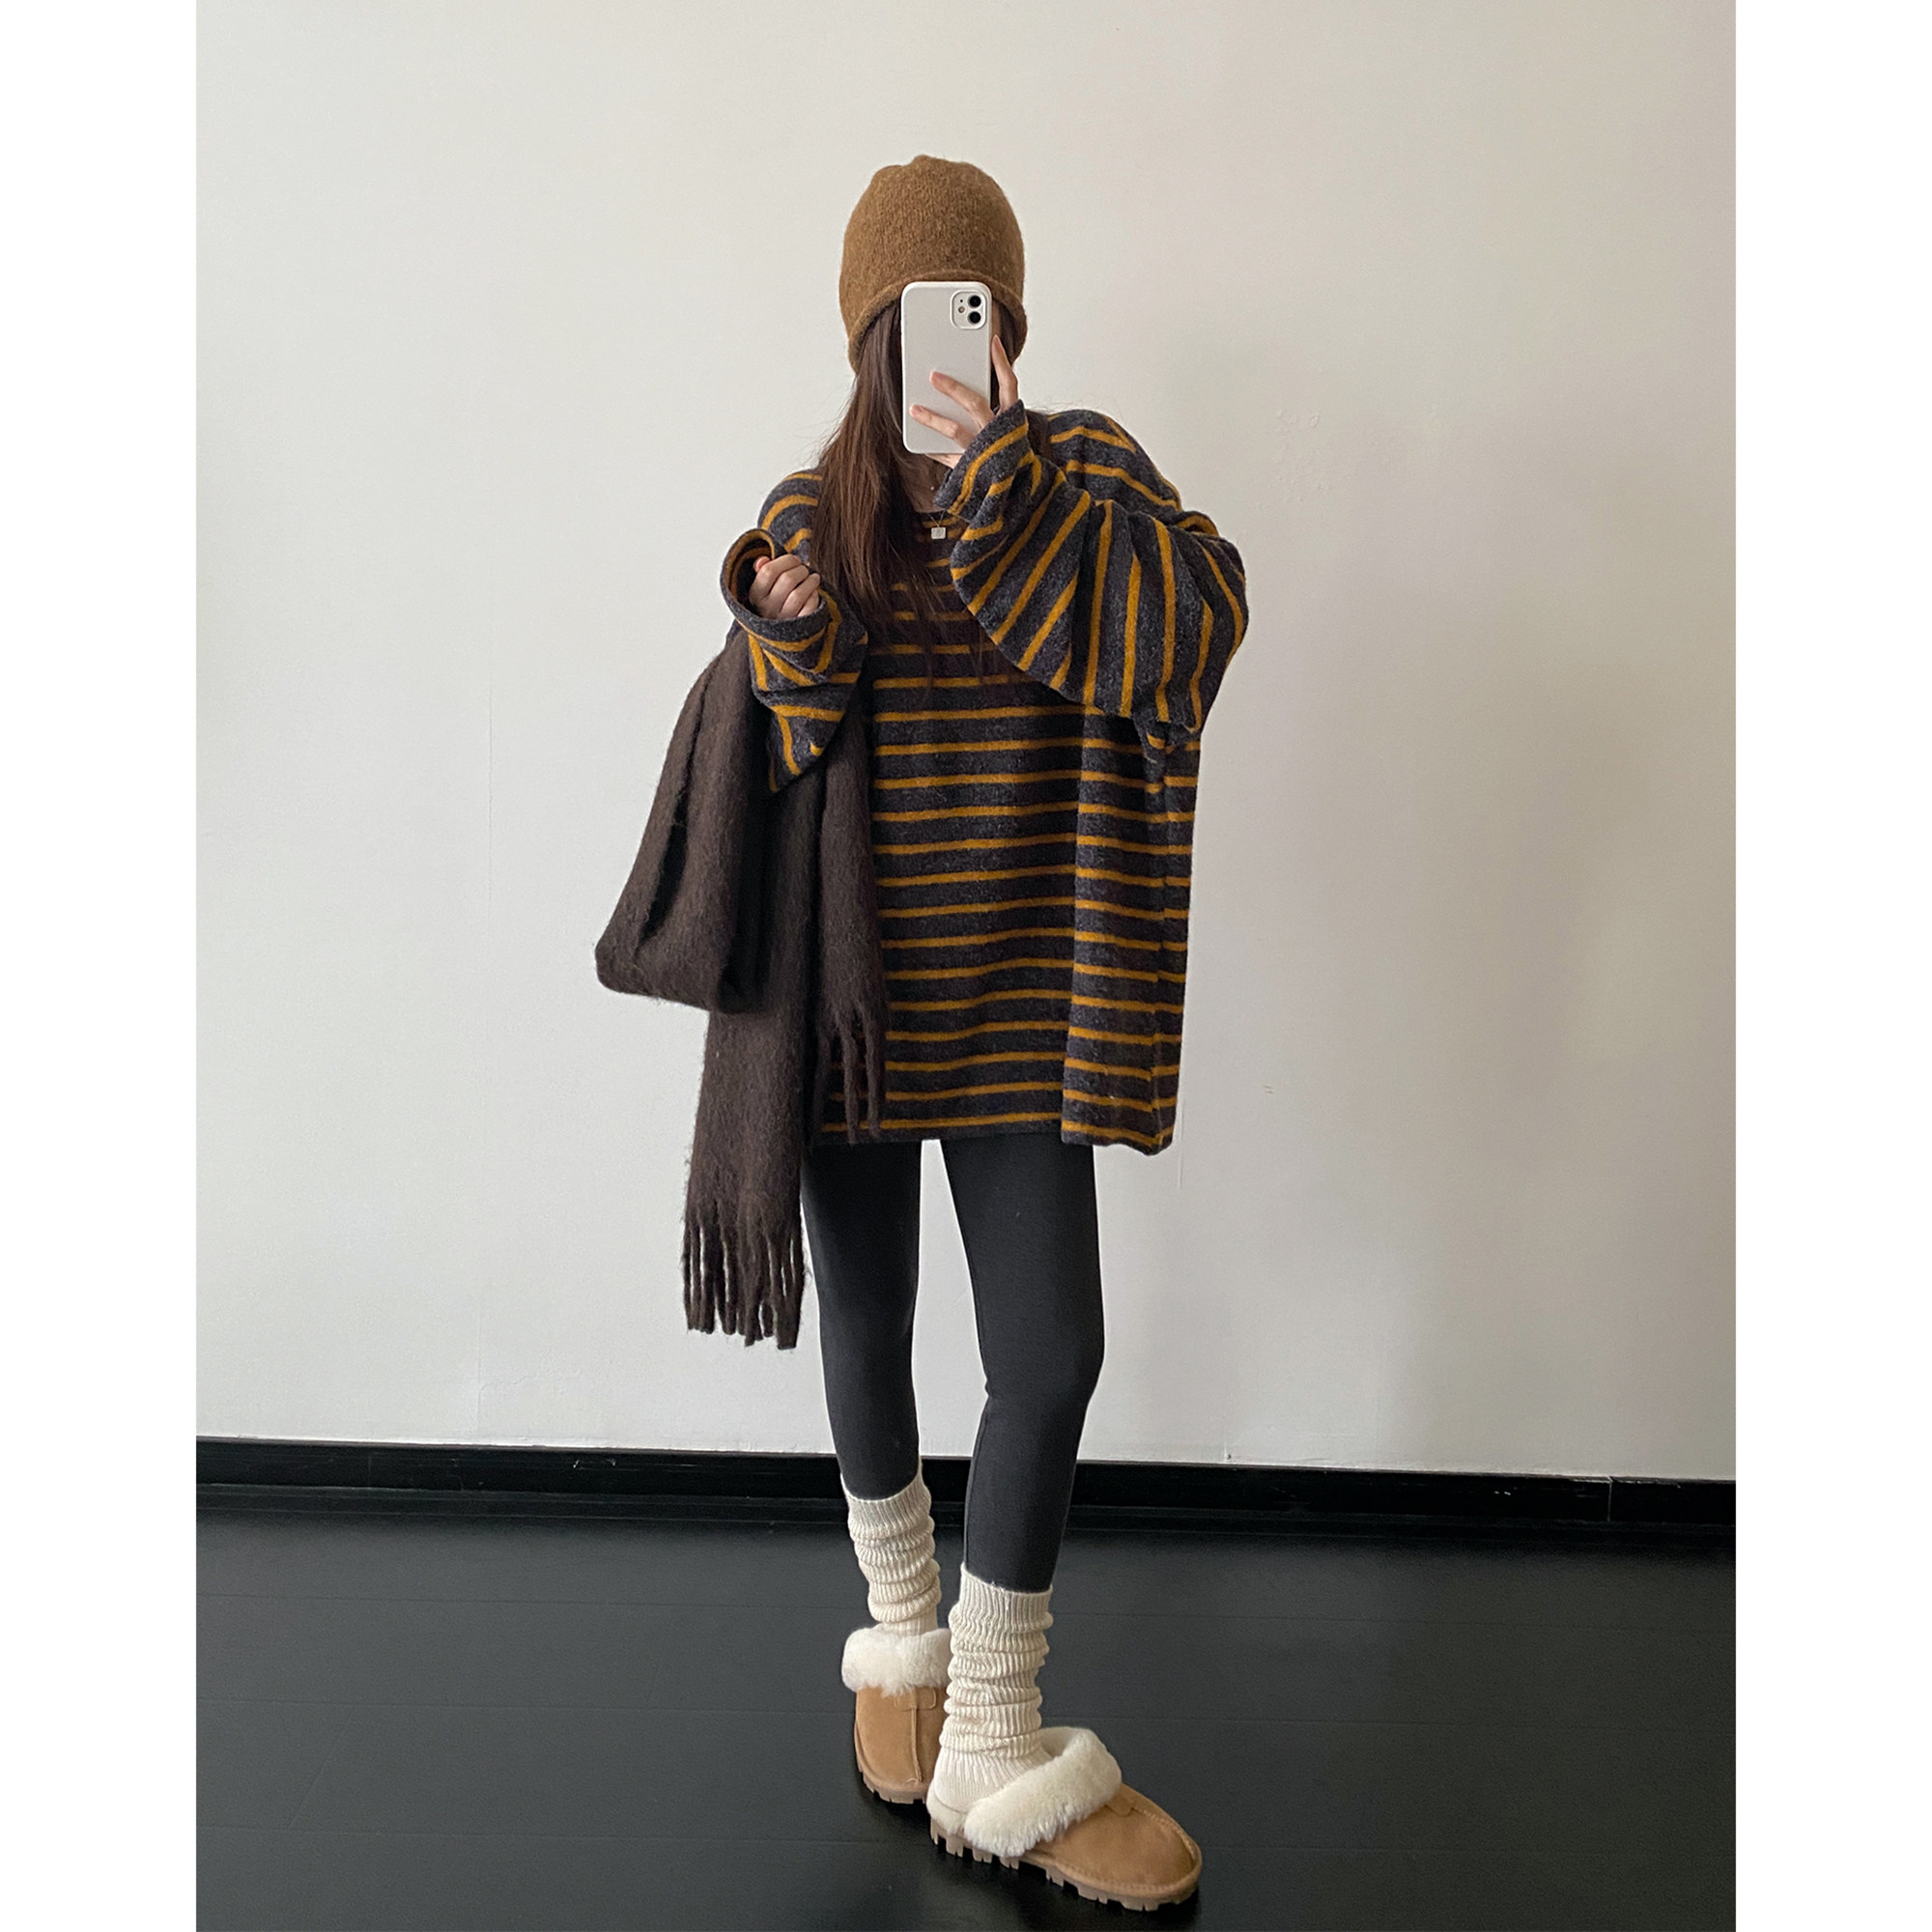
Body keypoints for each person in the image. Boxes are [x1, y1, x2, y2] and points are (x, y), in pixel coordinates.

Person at [722, 155, 1247, 1910]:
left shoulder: (1081, 474)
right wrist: (786, 643)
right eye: (914, 318)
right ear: (866, 335)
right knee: (871, 1323)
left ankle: (994, 1730)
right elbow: (789, 756)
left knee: (1049, 1355)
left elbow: (1196, 631)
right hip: (860, 1010)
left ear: (1009, 323)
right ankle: (906, 1654)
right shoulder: (819, 511)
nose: (946, 342)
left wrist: (1012, 492)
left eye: (975, 312)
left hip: (1023, 1001)